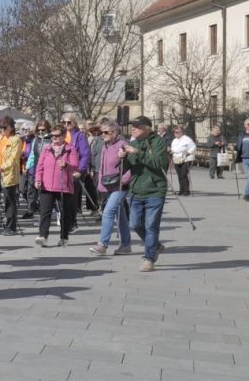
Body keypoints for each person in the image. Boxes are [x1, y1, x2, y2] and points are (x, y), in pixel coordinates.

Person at [120, 116, 170, 272]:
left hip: (155, 190)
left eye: (137, 126)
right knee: (134, 223)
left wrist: (137, 152)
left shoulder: (158, 142)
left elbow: (158, 163)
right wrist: (121, 158)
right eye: (132, 126)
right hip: (136, 190)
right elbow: (126, 167)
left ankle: (148, 258)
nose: (133, 128)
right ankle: (155, 245)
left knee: (151, 225)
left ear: (147, 127)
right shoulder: (132, 143)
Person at [89, 119, 131, 256]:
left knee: (107, 212)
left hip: (120, 186)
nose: (103, 135)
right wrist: (101, 184)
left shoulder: (123, 145)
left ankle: (103, 244)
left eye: (106, 132)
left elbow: (131, 167)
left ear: (115, 132)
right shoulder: (105, 146)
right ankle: (125, 245)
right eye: (102, 133)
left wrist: (124, 180)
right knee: (121, 216)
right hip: (108, 185)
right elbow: (101, 168)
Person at [33, 126, 78, 248]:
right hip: (47, 185)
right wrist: (38, 179)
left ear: (63, 136)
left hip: (64, 185)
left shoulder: (70, 149)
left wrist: (66, 165)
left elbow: (74, 166)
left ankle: (64, 237)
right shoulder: (46, 149)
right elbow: (40, 166)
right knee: (45, 212)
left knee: (64, 213)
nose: (54, 138)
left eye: (57, 135)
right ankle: (43, 236)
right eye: (52, 136)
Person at [60, 114, 91, 233]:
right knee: (63, 198)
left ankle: (72, 223)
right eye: (64, 122)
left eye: (69, 122)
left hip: (74, 170)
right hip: (62, 169)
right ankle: (66, 221)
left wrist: (80, 170)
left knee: (71, 198)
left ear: (74, 123)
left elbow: (85, 154)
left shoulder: (79, 136)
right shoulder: (62, 135)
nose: (66, 125)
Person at [20, 120, 51, 220]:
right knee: (31, 190)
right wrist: (28, 166)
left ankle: (45, 212)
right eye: (39, 130)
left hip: (48, 168)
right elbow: (33, 155)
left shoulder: (51, 139)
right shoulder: (36, 140)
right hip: (36, 167)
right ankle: (32, 209)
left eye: (43, 130)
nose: (41, 132)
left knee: (44, 191)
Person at [170, 126, 197, 196]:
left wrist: (188, 153)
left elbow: (194, 147)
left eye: (177, 132)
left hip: (186, 159)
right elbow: (173, 149)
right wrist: (170, 151)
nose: (175, 133)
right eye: (174, 132)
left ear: (181, 132)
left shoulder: (187, 139)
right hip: (177, 159)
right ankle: (181, 190)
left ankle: (186, 190)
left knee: (183, 174)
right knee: (179, 175)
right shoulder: (174, 140)